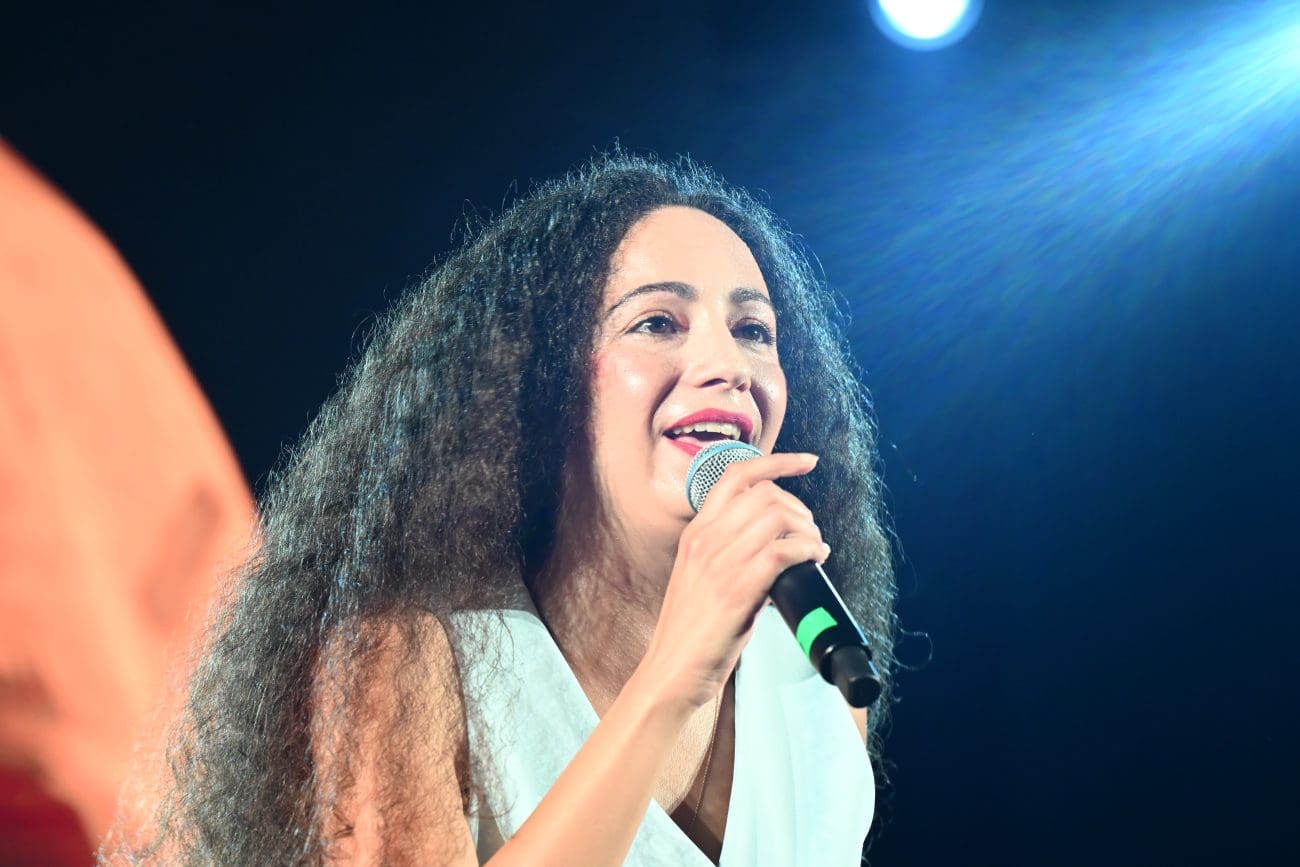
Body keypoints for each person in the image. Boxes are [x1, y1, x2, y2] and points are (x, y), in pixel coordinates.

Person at [103, 151, 897, 865]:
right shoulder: (409, 662)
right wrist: (672, 677)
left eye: (754, 330)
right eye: (657, 322)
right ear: (546, 379)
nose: (728, 363)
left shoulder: (820, 678)